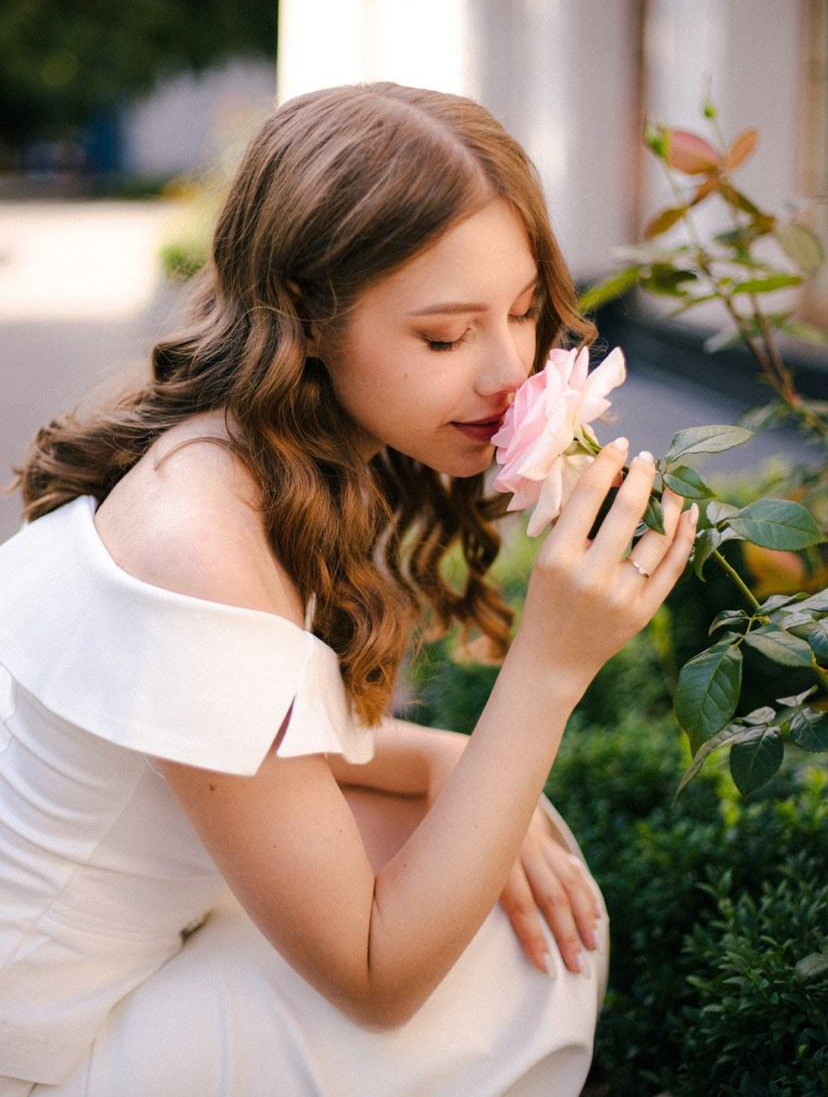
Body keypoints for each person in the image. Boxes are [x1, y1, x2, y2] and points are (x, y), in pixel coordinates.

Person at [0, 82, 696, 1097]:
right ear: (307, 320)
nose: (510, 370)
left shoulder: (232, 450)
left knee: (481, 828)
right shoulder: (203, 543)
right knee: (512, 944)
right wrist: (550, 664)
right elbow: (377, 979)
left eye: (521, 309)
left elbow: (234, 751)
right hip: (39, 1054)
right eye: (445, 336)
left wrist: (435, 762)